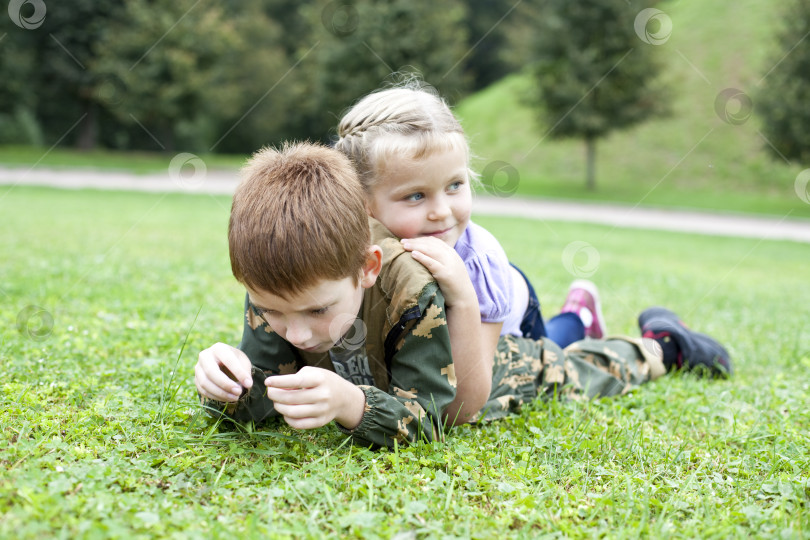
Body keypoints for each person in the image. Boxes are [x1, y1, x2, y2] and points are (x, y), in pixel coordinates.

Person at [193, 141, 732, 449]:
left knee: (571, 370)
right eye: (272, 312)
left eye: (317, 311)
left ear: (366, 268)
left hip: (483, 370)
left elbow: (435, 415)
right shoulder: (279, 279)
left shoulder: (410, 287)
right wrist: (226, 384)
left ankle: (661, 344)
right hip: (393, 372)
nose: (298, 332)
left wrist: (352, 405)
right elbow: (261, 395)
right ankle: (578, 313)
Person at [333, 83, 605, 423]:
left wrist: (462, 296)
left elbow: (468, 402)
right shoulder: (359, 245)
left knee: (554, 352)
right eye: (415, 195)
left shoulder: (480, 263)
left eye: (454, 186)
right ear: (363, 203)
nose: (441, 212)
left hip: (509, 304)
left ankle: (579, 316)